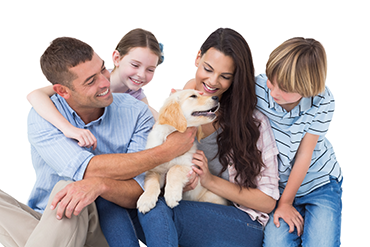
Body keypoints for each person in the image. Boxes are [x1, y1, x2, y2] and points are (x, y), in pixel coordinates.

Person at [0, 37, 196, 247]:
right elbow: (88, 170)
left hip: (95, 222)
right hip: (42, 220)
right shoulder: (43, 116)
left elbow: (138, 190)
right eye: (91, 81)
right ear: (63, 91)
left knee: (70, 189)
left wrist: (99, 185)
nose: (105, 82)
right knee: (70, 190)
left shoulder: (137, 113)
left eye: (103, 69)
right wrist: (167, 151)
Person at [138, 28, 280, 247]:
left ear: (235, 79)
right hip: (193, 206)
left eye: (225, 77)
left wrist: (209, 181)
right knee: (131, 205)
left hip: (240, 220)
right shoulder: (183, 102)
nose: (213, 82)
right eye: (208, 69)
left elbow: (267, 202)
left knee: (156, 212)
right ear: (197, 58)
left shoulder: (253, 123)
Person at [255, 38, 343, 246]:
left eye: (283, 88)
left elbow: (304, 154)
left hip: (319, 183)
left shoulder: (323, 100)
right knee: (277, 243)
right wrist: (282, 201)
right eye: (271, 80)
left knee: (321, 242)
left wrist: (286, 202)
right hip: (279, 187)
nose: (274, 91)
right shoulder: (257, 88)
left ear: (308, 89)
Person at [27, 28, 163, 151]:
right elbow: (36, 95)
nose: (141, 75)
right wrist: (67, 128)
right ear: (116, 58)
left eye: (150, 69)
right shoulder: (93, 77)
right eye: (135, 65)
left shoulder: (137, 99)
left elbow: (154, 119)